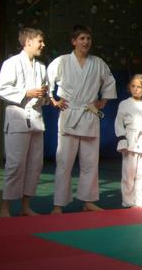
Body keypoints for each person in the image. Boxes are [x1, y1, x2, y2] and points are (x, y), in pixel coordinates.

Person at [47, 25, 116, 214]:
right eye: (82, 38)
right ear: (74, 41)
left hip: (89, 113)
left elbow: (109, 82)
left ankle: (88, 201)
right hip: (69, 112)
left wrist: (103, 100)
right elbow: (47, 81)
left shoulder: (98, 63)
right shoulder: (62, 61)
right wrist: (53, 100)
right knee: (64, 162)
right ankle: (59, 204)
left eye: (88, 38)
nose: (86, 42)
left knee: (90, 161)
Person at [0, 27, 49, 217]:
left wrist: (44, 96)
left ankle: (26, 206)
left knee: (35, 165)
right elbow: (1, 89)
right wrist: (26, 93)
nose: (43, 45)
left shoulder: (41, 67)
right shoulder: (11, 63)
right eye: (40, 41)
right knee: (15, 164)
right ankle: (5, 207)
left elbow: (45, 96)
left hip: (36, 119)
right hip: (17, 118)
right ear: (28, 42)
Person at [114, 74, 142, 208]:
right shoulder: (124, 104)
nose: (136, 89)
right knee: (128, 174)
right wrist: (122, 138)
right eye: (133, 86)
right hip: (129, 140)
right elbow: (118, 123)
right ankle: (128, 201)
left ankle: (140, 201)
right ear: (129, 87)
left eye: (139, 87)